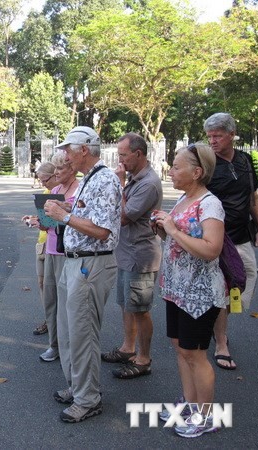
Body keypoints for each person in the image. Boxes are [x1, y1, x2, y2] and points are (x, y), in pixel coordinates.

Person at [44, 126, 121, 423]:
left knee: (83, 334)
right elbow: (90, 215)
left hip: (91, 264)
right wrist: (67, 207)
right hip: (76, 262)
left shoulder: (104, 179)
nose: (64, 155)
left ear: (84, 150)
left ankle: (88, 399)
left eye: (68, 149)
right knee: (68, 331)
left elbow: (103, 231)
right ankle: (78, 387)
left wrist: (64, 215)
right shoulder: (92, 179)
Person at [151, 143, 226, 438]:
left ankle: (206, 416)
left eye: (176, 166)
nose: (171, 171)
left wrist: (172, 230)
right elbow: (179, 238)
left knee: (195, 354)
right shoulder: (184, 197)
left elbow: (211, 249)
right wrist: (162, 228)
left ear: (196, 172)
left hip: (199, 293)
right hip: (176, 289)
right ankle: (191, 403)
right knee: (181, 349)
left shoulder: (210, 204)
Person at [204, 112, 258, 370]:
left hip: (242, 237)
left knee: (245, 280)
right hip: (218, 239)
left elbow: (252, 198)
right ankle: (221, 342)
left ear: (231, 134)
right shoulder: (207, 163)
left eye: (217, 135)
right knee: (221, 289)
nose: (213, 141)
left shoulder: (244, 160)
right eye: (209, 136)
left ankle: (215, 322)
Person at [101, 133, 162, 379]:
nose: (120, 159)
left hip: (141, 256)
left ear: (138, 154)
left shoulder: (148, 183)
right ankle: (128, 348)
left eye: (123, 155)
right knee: (127, 304)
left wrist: (119, 185)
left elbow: (124, 216)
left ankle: (144, 358)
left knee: (140, 308)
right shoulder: (136, 178)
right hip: (126, 252)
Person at [38, 152, 79, 362]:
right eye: (54, 169)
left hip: (69, 252)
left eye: (60, 169)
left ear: (71, 169)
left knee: (66, 304)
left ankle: (68, 348)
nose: (56, 173)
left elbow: (79, 222)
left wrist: (61, 214)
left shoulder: (79, 190)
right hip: (52, 249)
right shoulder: (54, 190)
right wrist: (39, 221)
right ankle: (53, 345)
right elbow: (47, 223)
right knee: (50, 300)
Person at [22, 162, 58, 338]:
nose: (43, 183)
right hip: (42, 243)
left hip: (55, 246)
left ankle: (55, 322)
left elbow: (54, 223)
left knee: (54, 288)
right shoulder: (46, 193)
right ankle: (49, 319)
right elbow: (45, 221)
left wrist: (40, 223)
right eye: (41, 180)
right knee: (43, 284)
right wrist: (34, 218)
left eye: (45, 180)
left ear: (55, 175)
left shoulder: (60, 192)